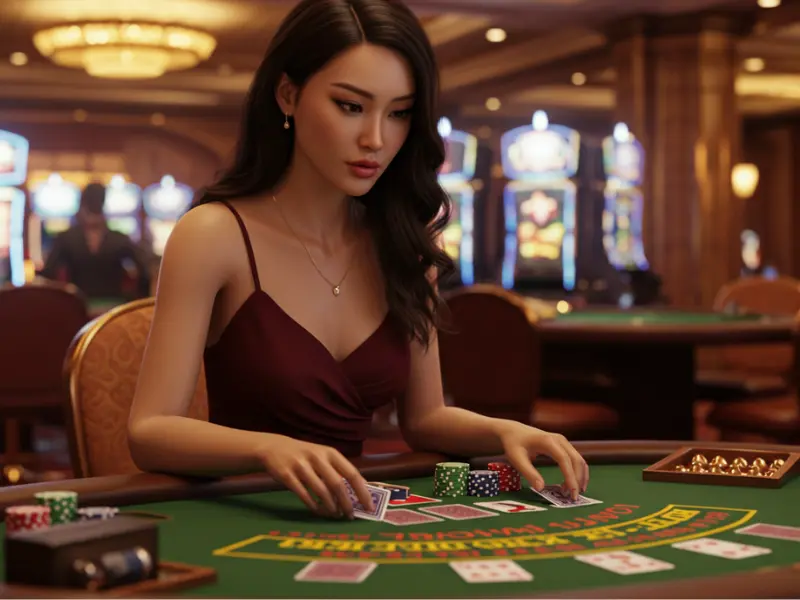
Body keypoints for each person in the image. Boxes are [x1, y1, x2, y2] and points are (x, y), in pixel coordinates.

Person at [127, 0, 589, 519]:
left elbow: (427, 418)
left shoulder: (404, 249)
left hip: (356, 517)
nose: (375, 138)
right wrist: (266, 448)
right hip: (248, 515)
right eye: (351, 106)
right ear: (288, 95)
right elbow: (150, 431)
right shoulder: (214, 235)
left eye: (398, 113)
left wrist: (507, 429)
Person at [39, 182, 151, 300]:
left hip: (77, 308)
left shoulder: (66, 238)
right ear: (104, 202)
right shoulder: (119, 239)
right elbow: (144, 272)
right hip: (113, 310)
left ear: (82, 203)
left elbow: (48, 275)